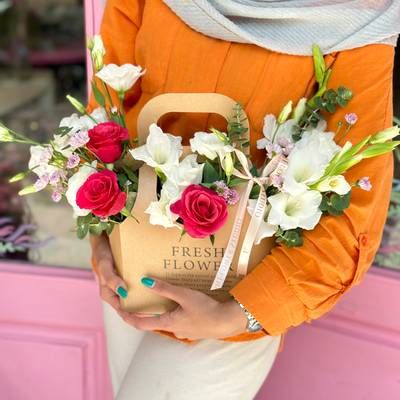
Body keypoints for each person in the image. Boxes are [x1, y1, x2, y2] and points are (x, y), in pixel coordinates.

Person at [88, 1, 399, 399]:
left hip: (227, 306)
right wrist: (99, 239)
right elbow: (108, 108)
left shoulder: (360, 14)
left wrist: (239, 314)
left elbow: (352, 207)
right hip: (133, 270)